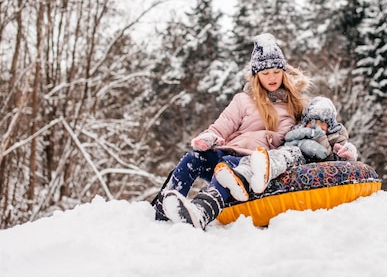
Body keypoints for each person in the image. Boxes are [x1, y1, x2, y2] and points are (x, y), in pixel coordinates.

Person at [154, 33, 310, 229]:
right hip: (227, 152)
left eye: (276, 72)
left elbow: (312, 134)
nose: (271, 78)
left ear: (284, 73)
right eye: (265, 73)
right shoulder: (242, 100)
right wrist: (209, 138)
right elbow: (222, 125)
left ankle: (202, 211)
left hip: (253, 164)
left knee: (228, 166)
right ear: (256, 76)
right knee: (194, 158)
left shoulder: (295, 107)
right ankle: (164, 208)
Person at [214, 96, 359, 202]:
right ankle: (242, 174)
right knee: (280, 154)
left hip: (309, 164)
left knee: (292, 154)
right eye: (311, 122)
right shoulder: (298, 133)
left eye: (321, 123)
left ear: (331, 125)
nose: (315, 126)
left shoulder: (336, 137)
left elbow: (341, 157)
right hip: (292, 157)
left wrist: (347, 153)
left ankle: (266, 169)